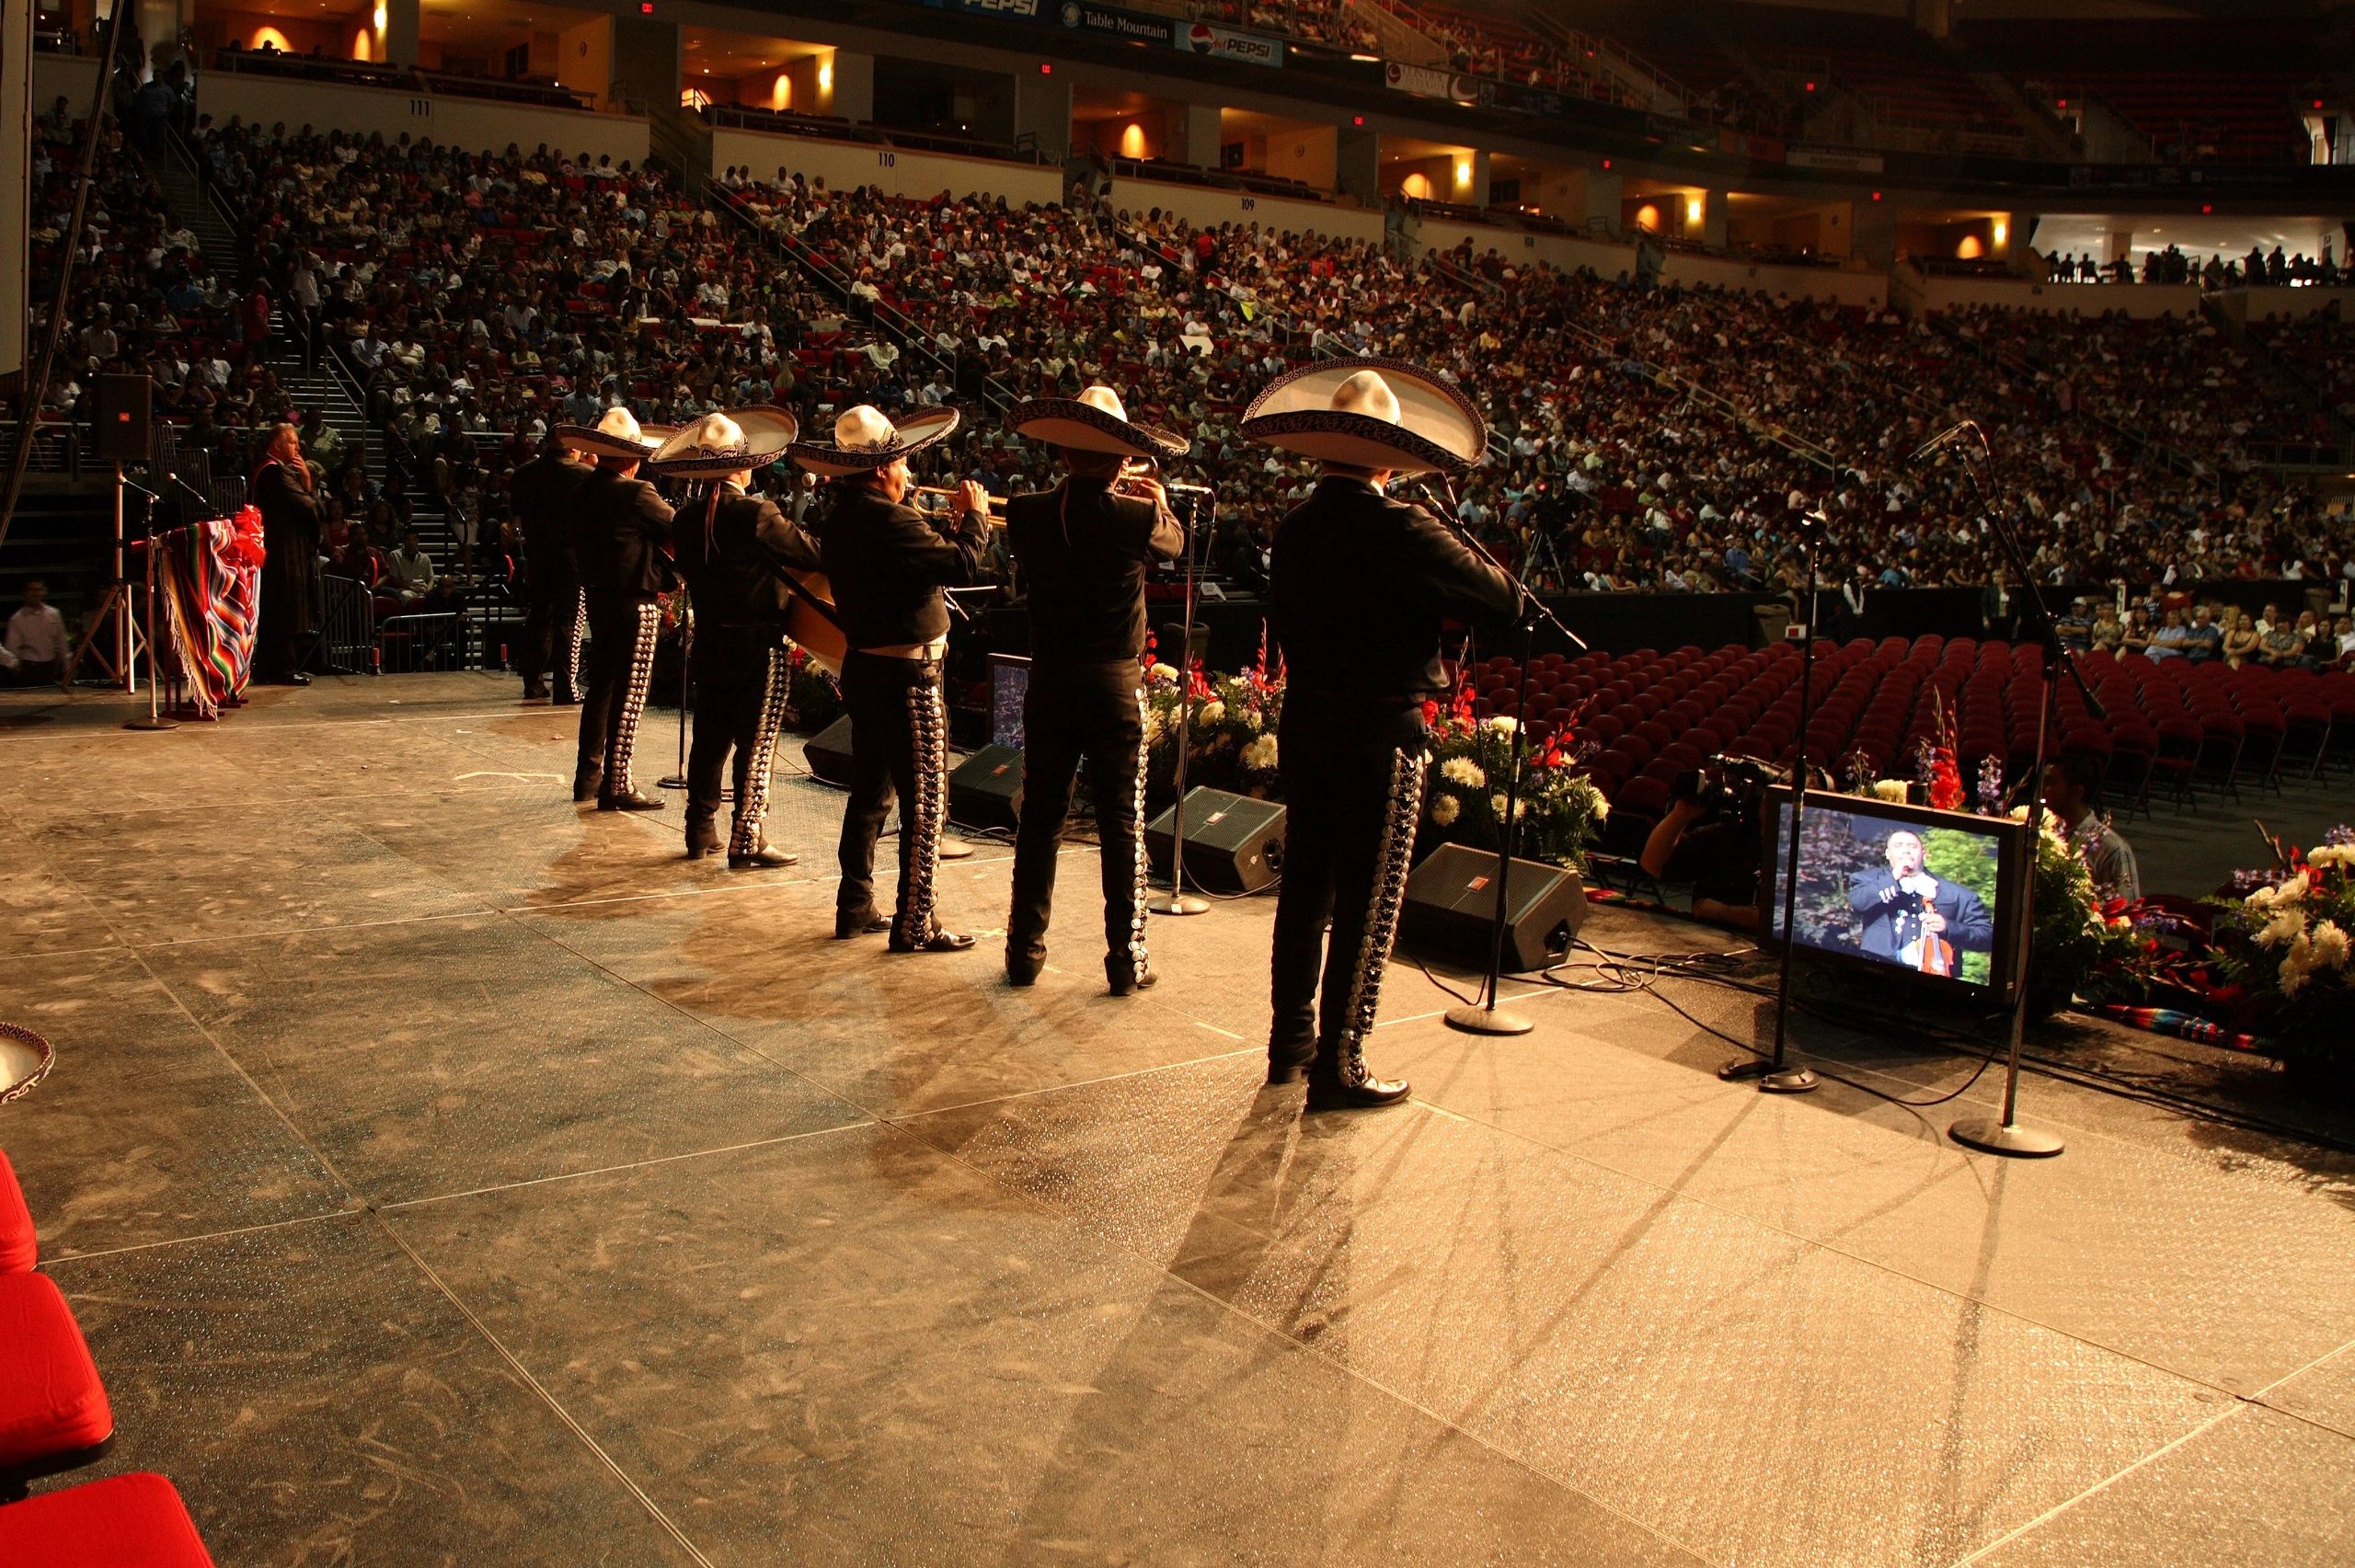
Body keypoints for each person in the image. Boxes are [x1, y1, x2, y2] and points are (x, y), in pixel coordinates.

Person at [1244, 360, 1516, 1110]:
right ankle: (1342, 1062)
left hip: (1308, 719)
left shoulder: (1295, 526)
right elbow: (1500, 598)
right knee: (1368, 898)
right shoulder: (1406, 525)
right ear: (1390, 458)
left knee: (1304, 889)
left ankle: (1289, 1048)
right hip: (1381, 728)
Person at [1000, 385, 1189, 995]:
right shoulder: (1136, 516)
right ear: (1120, 457)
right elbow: (1174, 545)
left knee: (1041, 819)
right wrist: (1157, 504)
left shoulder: (1026, 512)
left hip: (1050, 680)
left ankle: (1023, 950)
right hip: (1113, 683)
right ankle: (1125, 959)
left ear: (1061, 452)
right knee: (1121, 821)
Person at [790, 406, 991, 953]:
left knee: (870, 795)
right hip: (909, 675)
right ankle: (915, 921)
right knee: (927, 800)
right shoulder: (891, 519)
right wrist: (973, 516)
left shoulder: (844, 519)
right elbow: (964, 566)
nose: (908, 475)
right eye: (902, 463)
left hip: (867, 669)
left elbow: (916, 565)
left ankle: (854, 905)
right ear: (881, 469)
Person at [649, 410, 820, 867]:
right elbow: (808, 554)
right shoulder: (756, 511)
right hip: (757, 644)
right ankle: (748, 837)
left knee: (710, 738)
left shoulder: (685, 519)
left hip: (710, 641)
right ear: (742, 467)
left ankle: (699, 827)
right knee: (755, 741)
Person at [559, 407, 674, 810]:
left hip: (600, 597)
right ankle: (618, 782)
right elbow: (675, 528)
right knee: (630, 695)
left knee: (601, 693)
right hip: (635, 600)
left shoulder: (580, 492)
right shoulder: (635, 492)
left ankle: (587, 777)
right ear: (632, 457)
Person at [511, 433, 591, 703]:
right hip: (571, 558)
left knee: (539, 618)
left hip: (537, 555)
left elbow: (516, 515)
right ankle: (566, 687)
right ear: (572, 448)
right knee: (569, 621)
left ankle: (532, 682)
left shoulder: (523, 473)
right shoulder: (582, 474)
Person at [1847, 828, 1994, 968]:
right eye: (1898, 846)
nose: (1905, 850)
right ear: (1887, 853)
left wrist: (1948, 927)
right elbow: (1858, 902)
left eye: (1912, 846)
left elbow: (1988, 937)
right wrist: (1893, 878)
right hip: (1878, 969)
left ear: (1924, 854)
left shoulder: (1957, 894)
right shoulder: (1866, 879)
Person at [251, 422, 324, 684]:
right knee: (285, 609)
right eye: (292, 442)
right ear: (277, 445)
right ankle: (282, 668)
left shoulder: (272, 471)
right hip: (283, 551)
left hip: (283, 548)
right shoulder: (274, 473)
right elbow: (308, 509)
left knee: (280, 609)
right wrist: (307, 484)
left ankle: (273, 668)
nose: (298, 447)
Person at [2041, 755, 2140, 902]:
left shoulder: (2111, 848)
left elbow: (2126, 911)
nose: (2041, 791)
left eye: (2049, 783)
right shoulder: (2041, 831)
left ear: (2076, 792)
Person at [2, 579, 69, 687]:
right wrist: (13, 665)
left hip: (50, 667)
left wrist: (67, 667)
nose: (35, 593)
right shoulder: (17, 619)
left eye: (38, 589)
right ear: (25, 593)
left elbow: (62, 643)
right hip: (28, 669)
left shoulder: (54, 614)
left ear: (44, 591)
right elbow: (12, 647)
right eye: (31, 590)